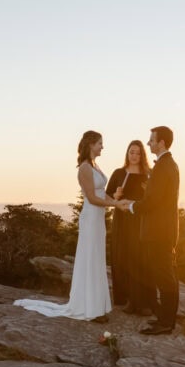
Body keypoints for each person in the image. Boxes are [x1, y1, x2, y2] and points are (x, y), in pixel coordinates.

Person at [14, 130, 125, 321]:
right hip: (91, 217)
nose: (102, 147)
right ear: (91, 144)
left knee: (97, 258)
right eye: (100, 143)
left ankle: (97, 305)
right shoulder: (84, 168)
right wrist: (114, 204)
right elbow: (91, 198)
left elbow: (101, 194)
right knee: (90, 258)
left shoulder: (95, 165)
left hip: (98, 218)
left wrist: (117, 202)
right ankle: (89, 308)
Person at [121, 126, 179, 335]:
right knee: (163, 275)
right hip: (160, 230)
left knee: (165, 277)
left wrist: (131, 206)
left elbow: (153, 201)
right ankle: (164, 319)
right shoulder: (165, 165)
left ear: (161, 142)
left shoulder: (165, 166)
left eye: (152, 140)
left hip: (159, 232)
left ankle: (166, 323)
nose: (148, 143)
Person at [106, 140, 155, 315]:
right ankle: (127, 299)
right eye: (131, 152)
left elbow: (152, 199)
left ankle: (143, 301)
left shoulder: (149, 174)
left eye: (138, 153)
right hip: (122, 218)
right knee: (124, 255)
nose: (134, 156)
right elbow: (108, 196)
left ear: (142, 155)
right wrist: (116, 196)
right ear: (127, 153)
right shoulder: (119, 173)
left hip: (140, 219)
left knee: (141, 258)